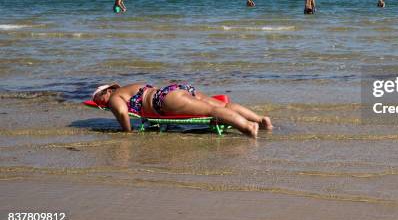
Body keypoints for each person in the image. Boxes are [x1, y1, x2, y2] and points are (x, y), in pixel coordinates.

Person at [91, 82, 272, 138]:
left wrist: (127, 133)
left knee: (211, 111)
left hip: (163, 101)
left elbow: (122, 113)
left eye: (98, 99)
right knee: (221, 105)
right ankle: (260, 119)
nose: (99, 103)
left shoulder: (114, 98)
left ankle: (248, 127)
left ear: (107, 91)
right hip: (174, 89)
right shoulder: (130, 87)